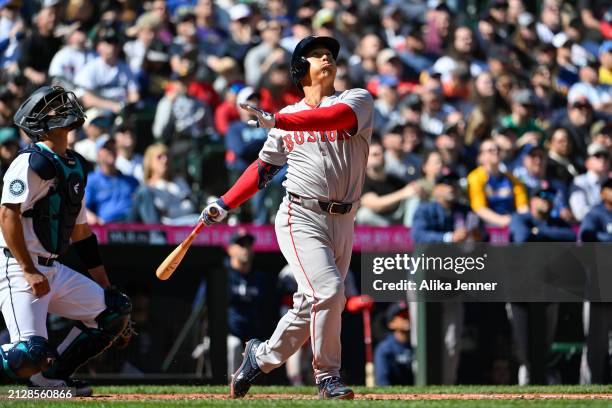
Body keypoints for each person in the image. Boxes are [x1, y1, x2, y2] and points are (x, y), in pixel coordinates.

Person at [200, 36, 374, 399]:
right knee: (328, 292)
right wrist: (225, 203)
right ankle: (327, 376)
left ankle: (259, 357)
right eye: (317, 56)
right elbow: (263, 169)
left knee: (314, 302)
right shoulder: (287, 118)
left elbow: (333, 118)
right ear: (300, 70)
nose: (327, 58)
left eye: (330, 55)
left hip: (344, 219)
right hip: (301, 214)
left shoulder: (356, 99)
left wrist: (277, 118)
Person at [0, 86, 132, 395]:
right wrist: (29, 269)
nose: (63, 109)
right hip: (18, 267)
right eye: (53, 109)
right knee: (28, 355)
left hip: (52, 269)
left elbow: (82, 233)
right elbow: (7, 215)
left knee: (114, 312)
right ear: (40, 124)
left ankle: (47, 381)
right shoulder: (31, 162)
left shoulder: (73, 164)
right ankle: (36, 371)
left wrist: (105, 287)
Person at [508, 186, 576, 385]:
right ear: (531, 201)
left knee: (545, 340)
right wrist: (545, 235)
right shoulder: (521, 219)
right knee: (524, 342)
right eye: (540, 197)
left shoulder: (557, 222)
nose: (545, 201)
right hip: (521, 289)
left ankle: (538, 378)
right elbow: (522, 238)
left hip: (549, 289)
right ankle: (528, 377)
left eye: (549, 197)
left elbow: (570, 237)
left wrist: (540, 232)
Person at [225, 230, 277, 378]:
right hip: (227, 336)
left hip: (253, 337)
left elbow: (269, 311)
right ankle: (231, 384)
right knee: (233, 344)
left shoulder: (260, 279)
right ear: (230, 249)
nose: (245, 249)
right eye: (240, 244)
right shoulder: (222, 275)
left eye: (248, 245)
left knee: (263, 346)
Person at [579, 178, 612, 384]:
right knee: (595, 343)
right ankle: (589, 387)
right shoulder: (595, 214)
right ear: (603, 193)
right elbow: (587, 238)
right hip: (599, 285)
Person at [130, 143, 199, 225]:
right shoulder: (145, 189)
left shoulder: (179, 182)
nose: (165, 160)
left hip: (183, 223)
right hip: (160, 228)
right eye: (159, 157)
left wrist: (169, 212)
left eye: (167, 156)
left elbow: (190, 206)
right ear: (150, 162)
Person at [356, 140, 420, 226]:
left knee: (414, 197)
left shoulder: (392, 179)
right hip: (379, 221)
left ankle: (408, 232)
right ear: (365, 159)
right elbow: (374, 205)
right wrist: (403, 193)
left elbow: (410, 190)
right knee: (364, 214)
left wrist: (416, 189)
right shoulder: (362, 181)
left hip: (399, 218)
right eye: (375, 154)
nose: (380, 157)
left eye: (382, 153)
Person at [467, 139, 529, 227]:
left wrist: (521, 220)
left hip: (511, 223)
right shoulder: (475, 178)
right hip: (487, 226)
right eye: (490, 150)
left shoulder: (511, 179)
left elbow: (522, 206)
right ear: (481, 156)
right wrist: (502, 221)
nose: (496, 152)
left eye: (498, 149)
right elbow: (479, 208)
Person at [84, 139, 139, 225]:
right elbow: (82, 208)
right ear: (98, 155)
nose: (111, 151)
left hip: (131, 227)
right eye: (107, 148)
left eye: (113, 148)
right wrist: (94, 219)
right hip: (107, 228)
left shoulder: (131, 181)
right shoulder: (91, 180)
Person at [374, 302, 414, 386]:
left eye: (408, 315)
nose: (407, 319)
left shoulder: (417, 344)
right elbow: (382, 381)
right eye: (402, 316)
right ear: (391, 324)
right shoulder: (385, 348)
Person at [570, 143, 610, 221]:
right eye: (597, 156)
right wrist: (604, 217)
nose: (602, 159)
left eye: (605, 156)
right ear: (587, 162)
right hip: (592, 228)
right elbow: (580, 213)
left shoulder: (610, 182)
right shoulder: (579, 182)